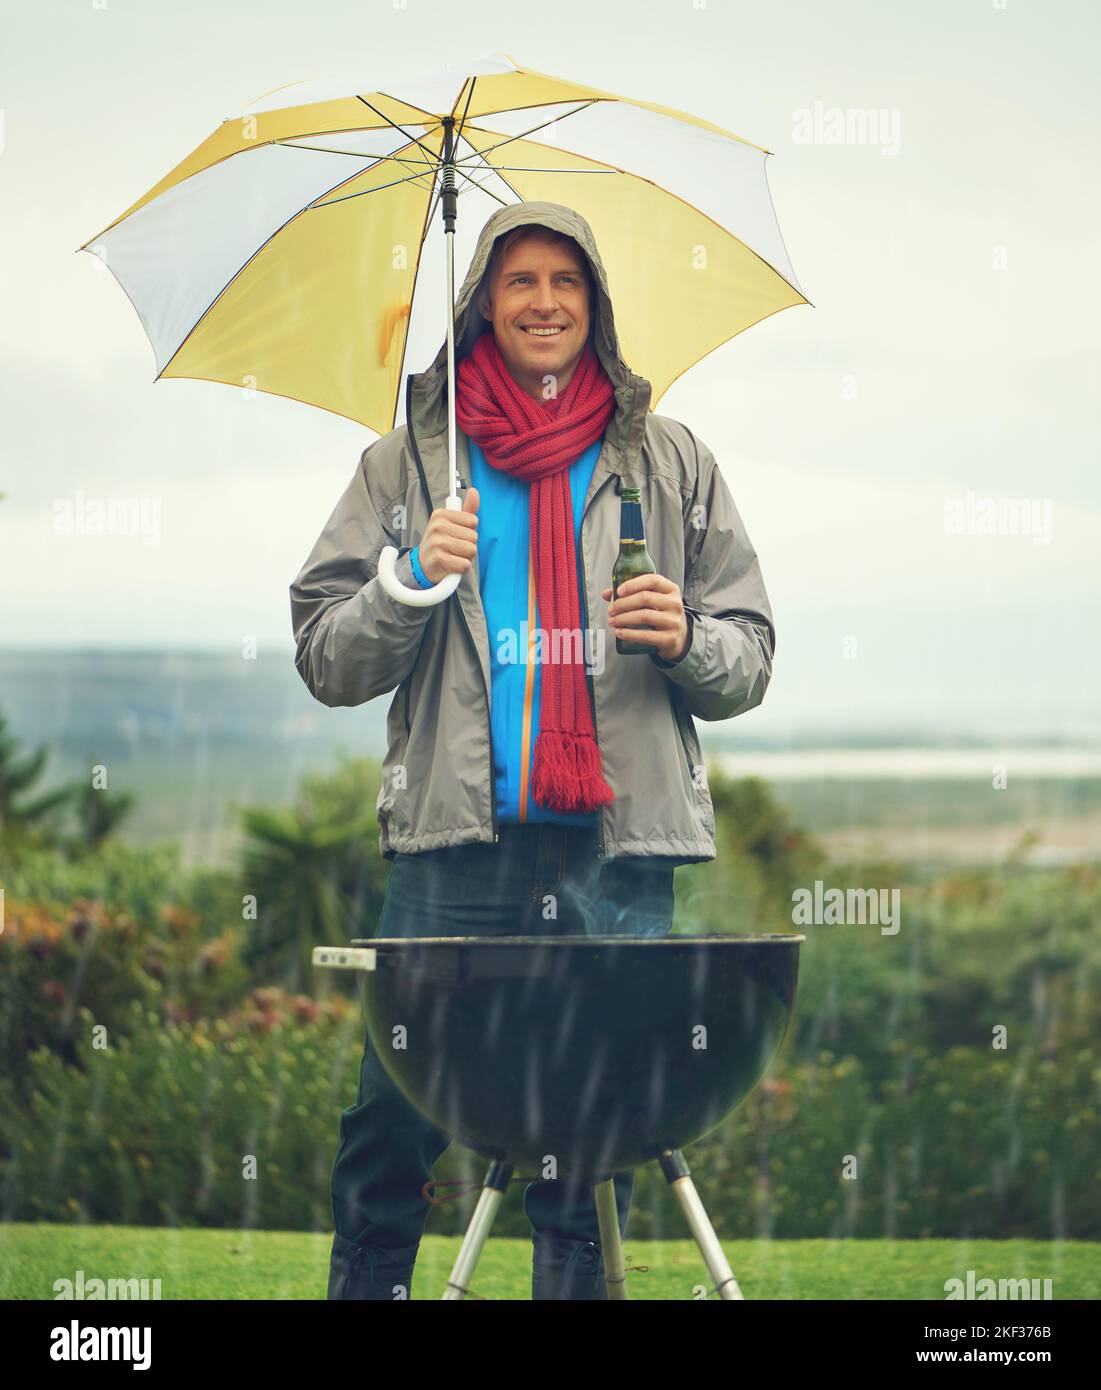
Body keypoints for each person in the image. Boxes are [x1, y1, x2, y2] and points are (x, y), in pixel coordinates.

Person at [289, 201, 775, 1300]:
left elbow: (751, 656)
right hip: (452, 847)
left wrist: (688, 637)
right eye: (520, 282)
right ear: (483, 303)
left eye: (567, 281)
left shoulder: (669, 459)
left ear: (595, 304)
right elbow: (327, 657)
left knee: (589, 1144)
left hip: (615, 852)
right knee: (389, 1127)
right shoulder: (410, 464)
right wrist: (406, 578)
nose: (545, 301)